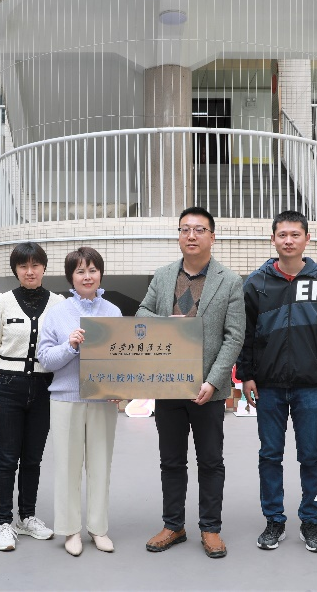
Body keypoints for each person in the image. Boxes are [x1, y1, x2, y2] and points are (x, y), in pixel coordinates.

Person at [137, 207, 245, 559]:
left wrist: (213, 382)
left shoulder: (230, 281)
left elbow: (234, 336)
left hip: (206, 390)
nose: (191, 235)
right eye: (185, 229)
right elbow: (141, 313)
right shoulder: (163, 275)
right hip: (168, 384)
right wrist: (165, 322)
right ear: (179, 236)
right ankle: (173, 525)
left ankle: (210, 529)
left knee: (210, 461)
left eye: (199, 229)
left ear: (212, 236)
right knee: (171, 461)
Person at [236, 210, 317, 553]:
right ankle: (274, 521)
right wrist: (246, 375)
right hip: (268, 386)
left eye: (295, 234)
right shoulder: (256, 283)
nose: (288, 240)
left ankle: (310, 521)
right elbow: (245, 335)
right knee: (270, 455)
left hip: (310, 387)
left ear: (306, 239)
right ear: (273, 239)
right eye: (282, 235)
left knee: (310, 455)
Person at [37, 247, 123, 556]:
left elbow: (121, 358)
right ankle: (70, 529)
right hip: (66, 398)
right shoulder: (57, 312)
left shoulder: (113, 312)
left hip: (102, 401)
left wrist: (119, 388)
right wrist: (70, 346)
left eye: (93, 270)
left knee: (101, 465)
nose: (87, 276)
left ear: (100, 274)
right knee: (67, 467)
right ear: (71, 277)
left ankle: (99, 528)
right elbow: (45, 358)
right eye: (80, 271)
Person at [0, 242, 63, 551]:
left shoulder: (58, 303)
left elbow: (59, 344)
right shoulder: (2, 301)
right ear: (15, 270)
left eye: (35, 265)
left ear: (44, 268)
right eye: (23, 266)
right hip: (8, 385)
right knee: (7, 458)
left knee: (33, 457)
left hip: (44, 386)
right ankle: (3, 522)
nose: (29, 271)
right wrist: (11, 370)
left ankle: (27, 517)